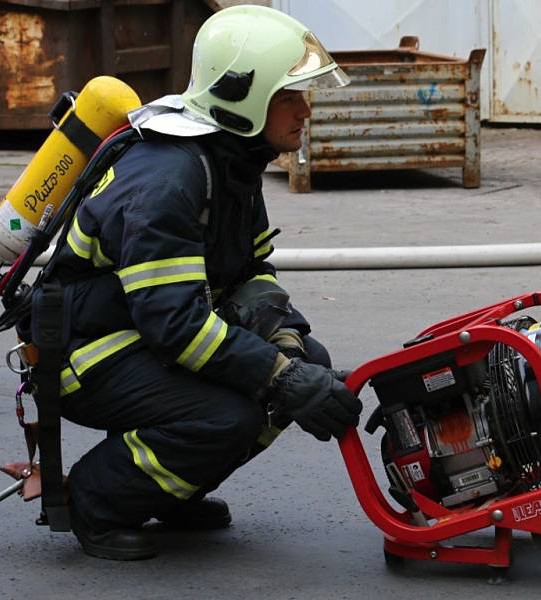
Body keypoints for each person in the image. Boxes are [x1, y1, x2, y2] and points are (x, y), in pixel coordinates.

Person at [45, 5, 362, 560]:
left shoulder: (233, 160)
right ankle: (95, 502)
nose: (305, 110)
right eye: (289, 96)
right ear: (245, 96)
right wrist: (278, 378)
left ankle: (169, 490)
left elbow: (253, 275)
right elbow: (176, 326)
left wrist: (288, 351)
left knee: (308, 359)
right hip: (84, 352)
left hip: (138, 330)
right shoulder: (169, 178)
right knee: (230, 413)